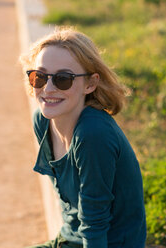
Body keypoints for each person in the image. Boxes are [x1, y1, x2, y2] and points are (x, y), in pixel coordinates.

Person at [20, 27, 146, 248]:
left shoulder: (93, 134)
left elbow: (94, 223)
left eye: (63, 79)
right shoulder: (42, 120)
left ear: (90, 84)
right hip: (69, 239)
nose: (48, 88)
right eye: (39, 77)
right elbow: (71, 210)